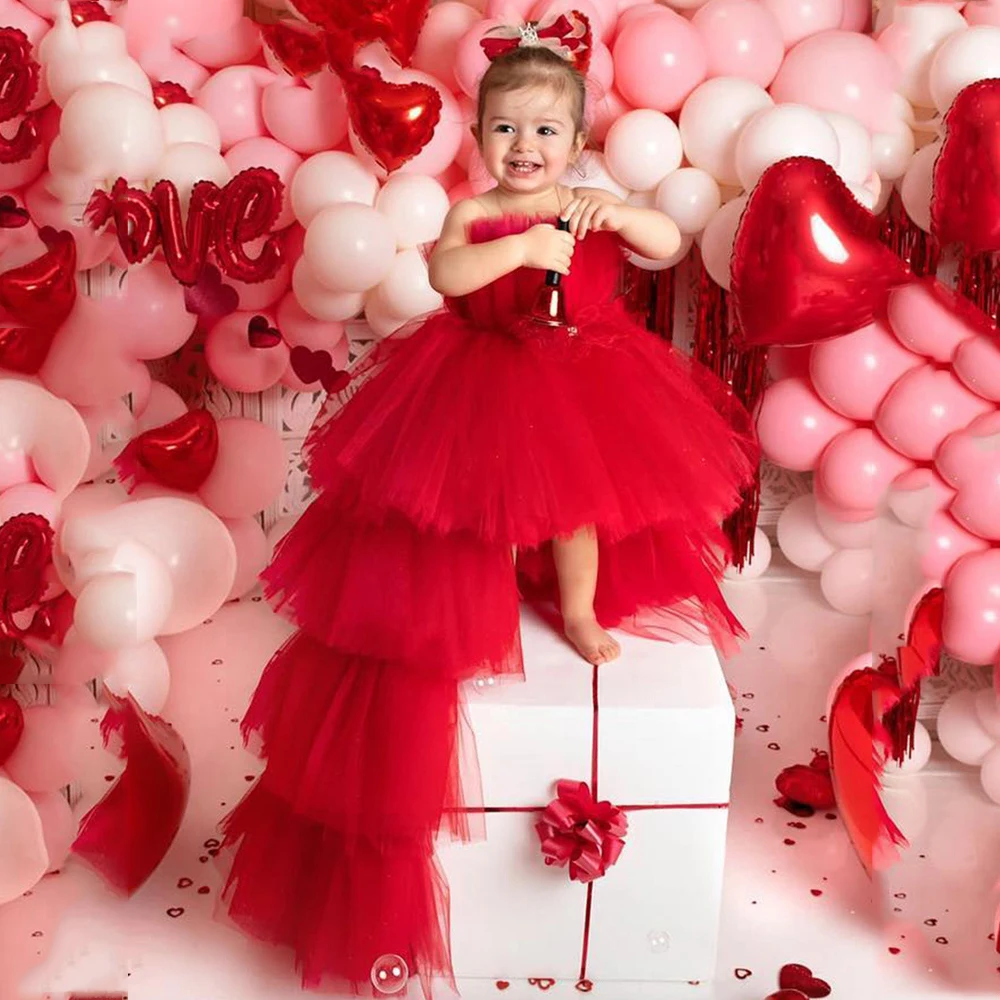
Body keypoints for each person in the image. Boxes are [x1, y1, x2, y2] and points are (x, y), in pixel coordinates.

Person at [218, 12, 759, 998]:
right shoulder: (476, 216)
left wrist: (615, 218)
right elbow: (447, 273)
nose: (524, 147)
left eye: (545, 131)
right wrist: (519, 250)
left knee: (578, 506)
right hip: (476, 381)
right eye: (505, 129)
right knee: (467, 511)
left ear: (578, 144)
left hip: (582, 381)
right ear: (479, 139)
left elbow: (664, 236)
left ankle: (580, 606)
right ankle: (475, 604)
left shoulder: (593, 198)